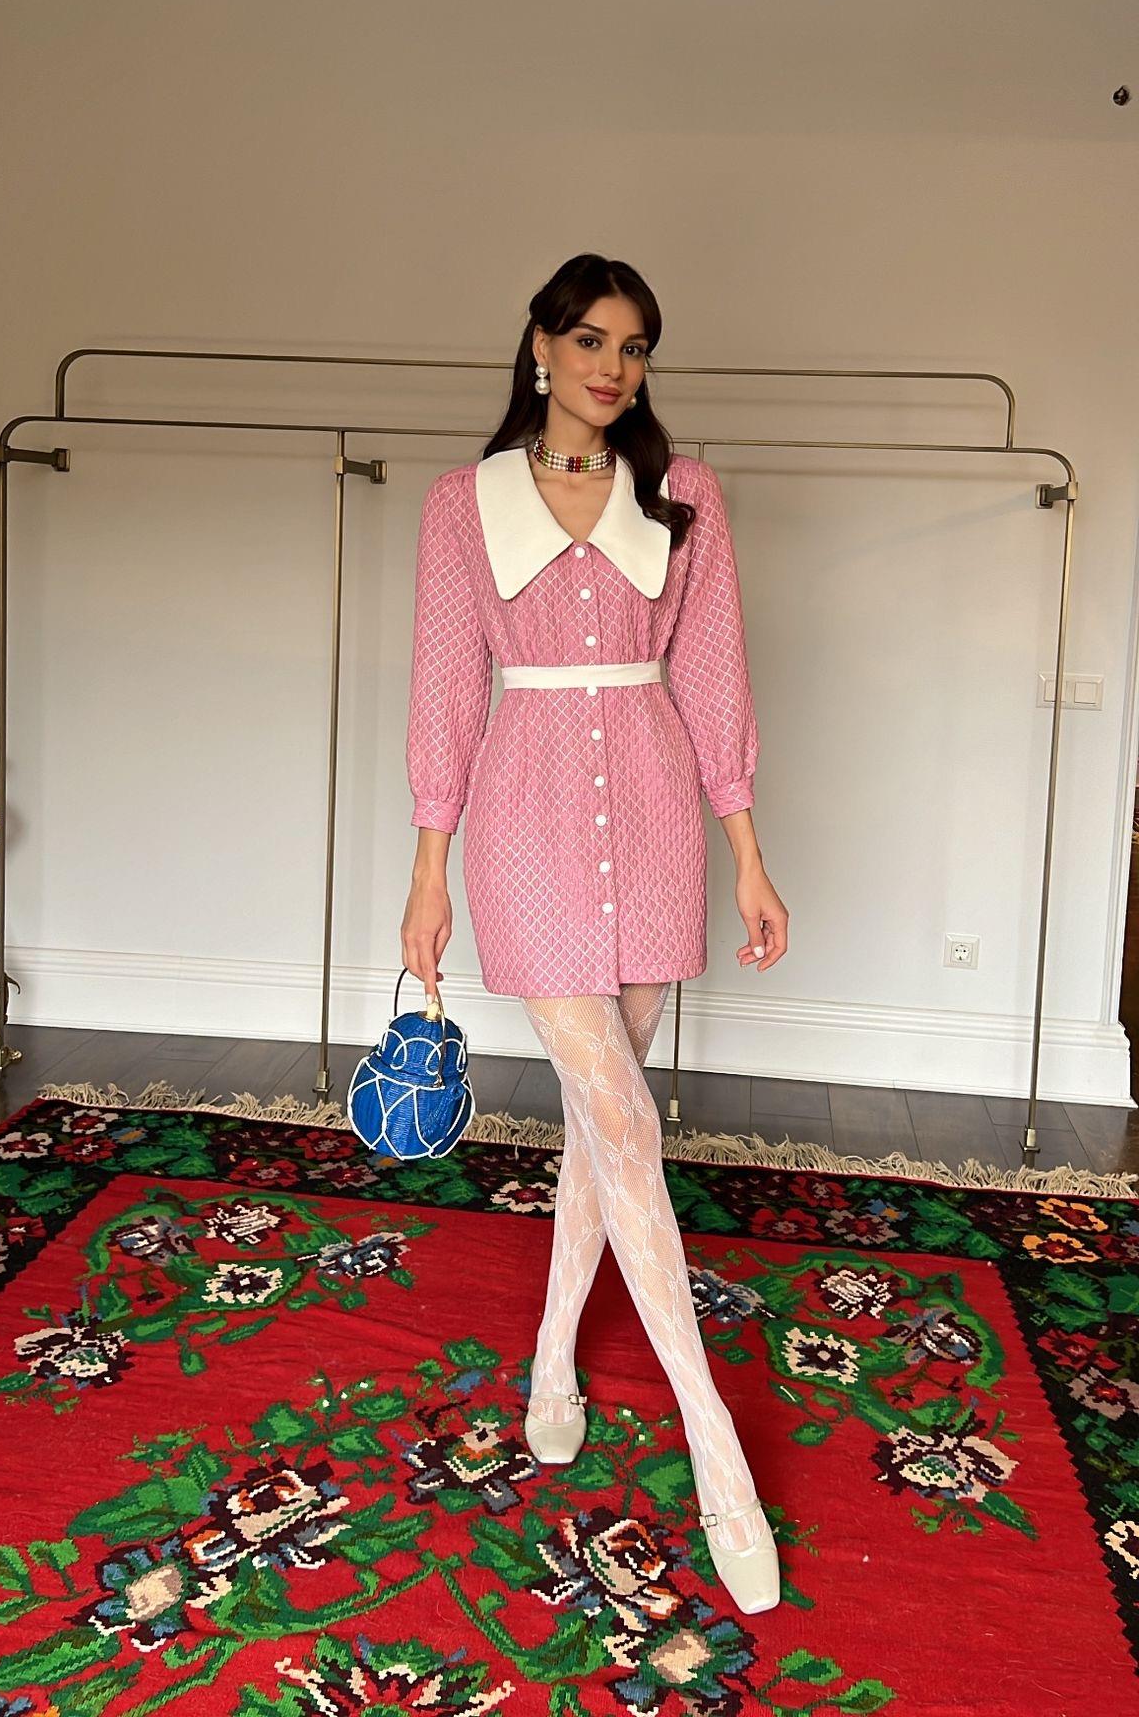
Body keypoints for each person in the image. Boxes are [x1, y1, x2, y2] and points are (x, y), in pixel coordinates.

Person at [401, 252, 790, 1615]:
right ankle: (713, 1440)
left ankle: (554, 1359)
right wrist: (429, 873)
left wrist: (748, 856)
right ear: (539, 346)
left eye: (632, 347)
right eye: (588, 341)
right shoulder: (462, 506)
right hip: (522, 822)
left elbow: (716, 676)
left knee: (597, 1118)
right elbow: (445, 691)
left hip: (658, 818)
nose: (612, 368)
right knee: (625, 1118)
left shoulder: (687, 496)